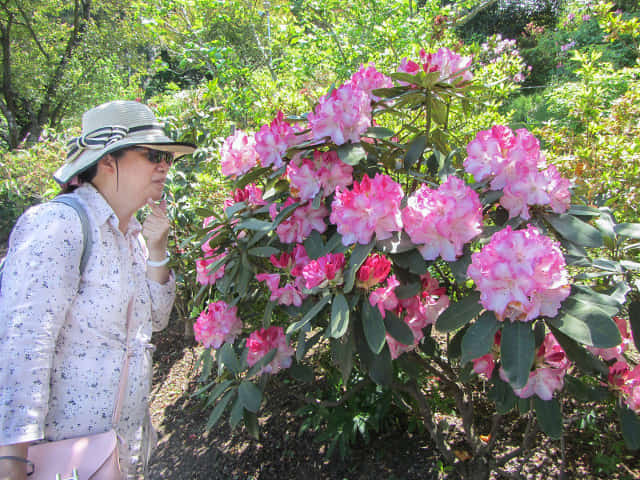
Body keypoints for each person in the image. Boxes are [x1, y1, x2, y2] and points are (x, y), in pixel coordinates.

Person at [0, 100, 195, 479]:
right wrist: (10, 462)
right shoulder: (58, 225)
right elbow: (22, 347)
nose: (165, 166)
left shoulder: (133, 235)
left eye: (169, 158)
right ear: (108, 161)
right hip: (58, 462)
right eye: (153, 154)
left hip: (120, 457)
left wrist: (156, 250)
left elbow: (155, 320)